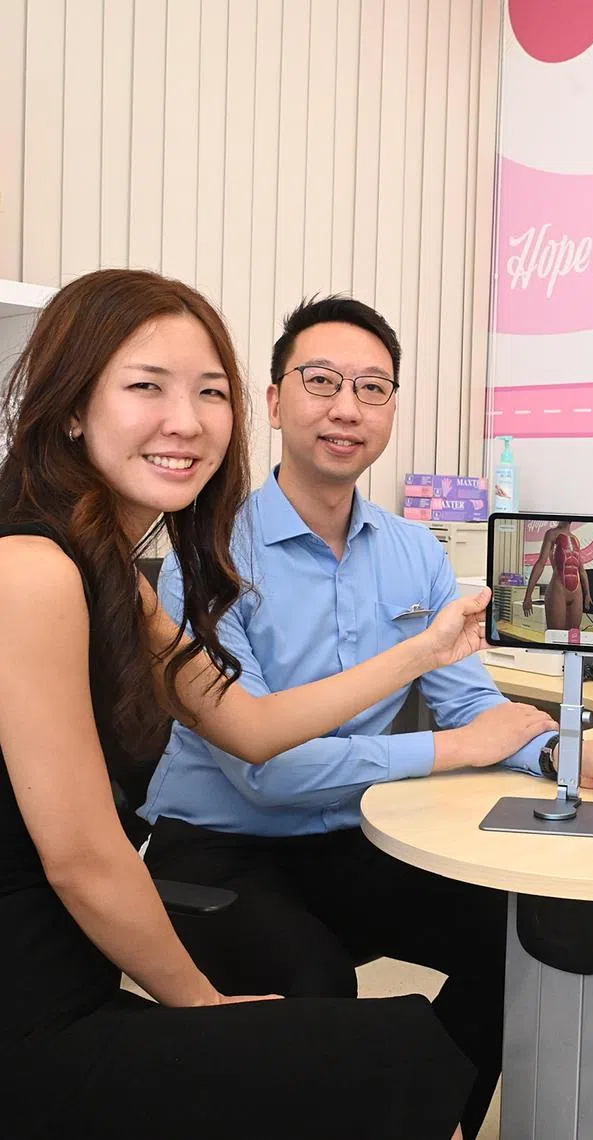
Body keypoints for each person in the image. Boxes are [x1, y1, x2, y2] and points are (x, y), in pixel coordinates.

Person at [139, 294, 593, 1139]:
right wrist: (451, 749)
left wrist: (567, 756)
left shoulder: (416, 551)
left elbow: (472, 701)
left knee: (524, 943)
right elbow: (267, 771)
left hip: (353, 837)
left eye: (373, 388)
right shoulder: (208, 556)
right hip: (219, 848)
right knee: (317, 989)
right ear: (272, 402)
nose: (347, 407)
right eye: (321, 381)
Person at [0, 269, 498, 1139]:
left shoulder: (119, 579)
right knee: (387, 1056)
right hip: (31, 1011)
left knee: (428, 1022)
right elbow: (84, 857)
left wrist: (423, 650)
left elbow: (255, 725)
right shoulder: (34, 570)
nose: (185, 422)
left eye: (207, 393)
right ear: (73, 408)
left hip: (78, 975)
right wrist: (203, 1005)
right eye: (145, 387)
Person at [523, 520, 593, 637]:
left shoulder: (575, 539)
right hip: (558, 590)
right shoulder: (552, 534)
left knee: (573, 636)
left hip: (577, 594)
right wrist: (528, 595)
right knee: (556, 637)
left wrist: (587, 594)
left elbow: (581, 570)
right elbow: (540, 563)